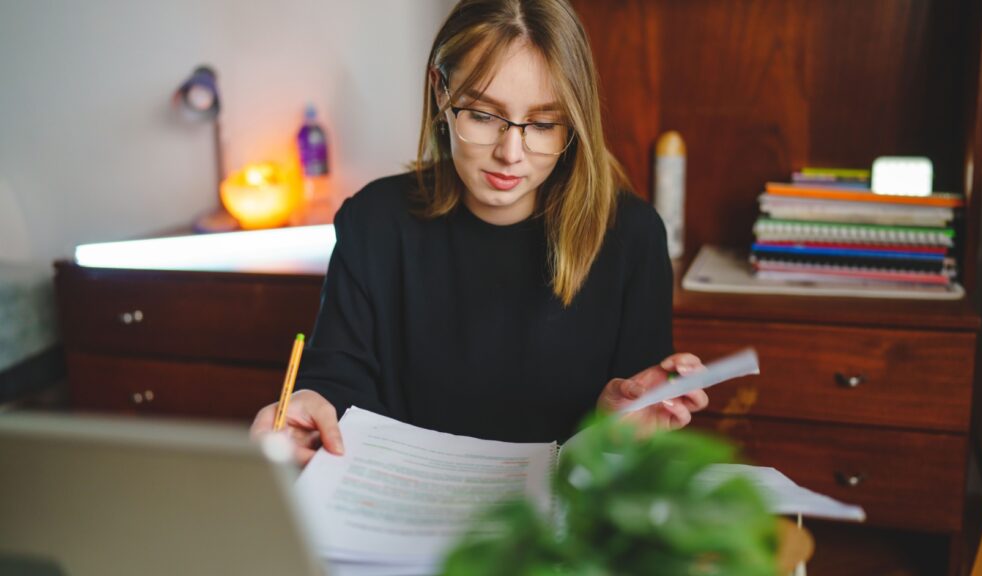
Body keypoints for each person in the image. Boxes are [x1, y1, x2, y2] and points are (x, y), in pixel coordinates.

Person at [251, 0, 708, 466]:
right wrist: (310, 407)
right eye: (484, 116)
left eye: (544, 124)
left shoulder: (631, 237)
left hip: (560, 525)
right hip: (399, 511)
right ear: (440, 92)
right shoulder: (374, 221)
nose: (511, 153)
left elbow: (635, 440)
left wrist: (613, 424)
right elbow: (336, 382)